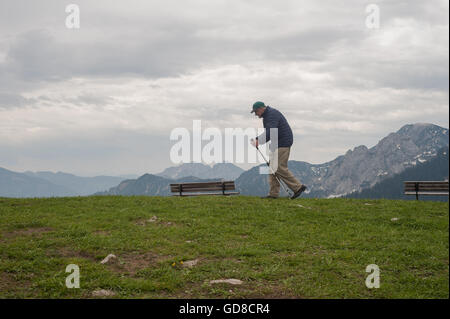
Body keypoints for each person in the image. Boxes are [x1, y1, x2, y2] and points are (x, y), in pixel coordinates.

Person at [250, 101, 307, 199]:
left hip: (283, 143)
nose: (255, 114)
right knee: (272, 168)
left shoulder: (271, 115)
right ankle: (273, 194)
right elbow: (270, 133)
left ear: (261, 109)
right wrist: (259, 141)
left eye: (256, 112)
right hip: (277, 144)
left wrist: (258, 140)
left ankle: (298, 187)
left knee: (278, 167)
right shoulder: (267, 116)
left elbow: (271, 131)